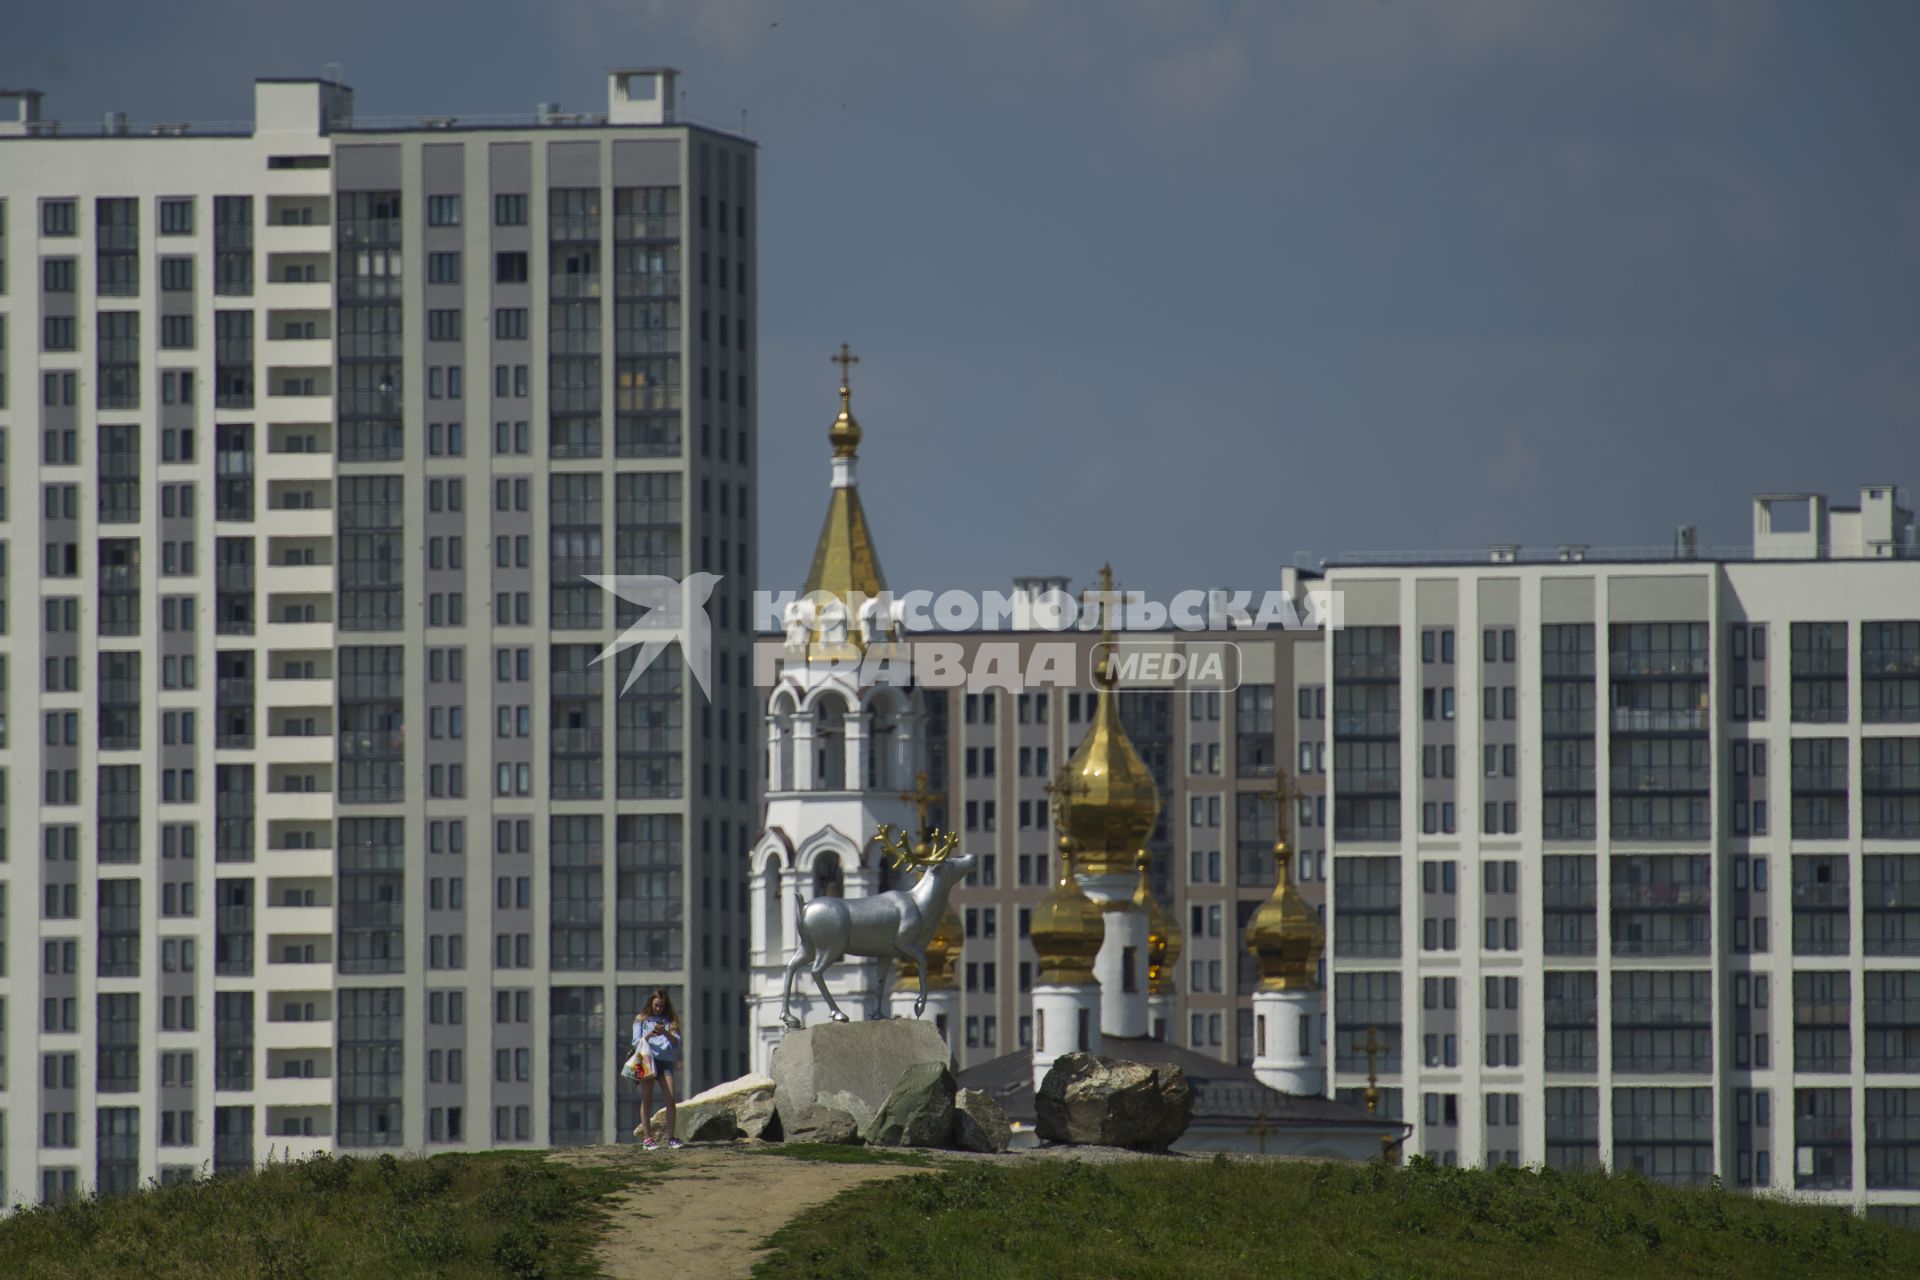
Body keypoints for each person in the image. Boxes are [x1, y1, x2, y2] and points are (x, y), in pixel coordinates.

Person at [632, 989, 683, 1150]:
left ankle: (671, 1138)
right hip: (647, 1060)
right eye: (656, 1005)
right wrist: (649, 1036)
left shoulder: (671, 1020)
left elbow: (676, 1043)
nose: (658, 1009)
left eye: (661, 1006)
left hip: (665, 1062)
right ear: (651, 1003)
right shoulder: (641, 1020)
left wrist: (665, 1032)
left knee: (671, 1099)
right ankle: (648, 1139)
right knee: (647, 1099)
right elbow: (635, 1042)